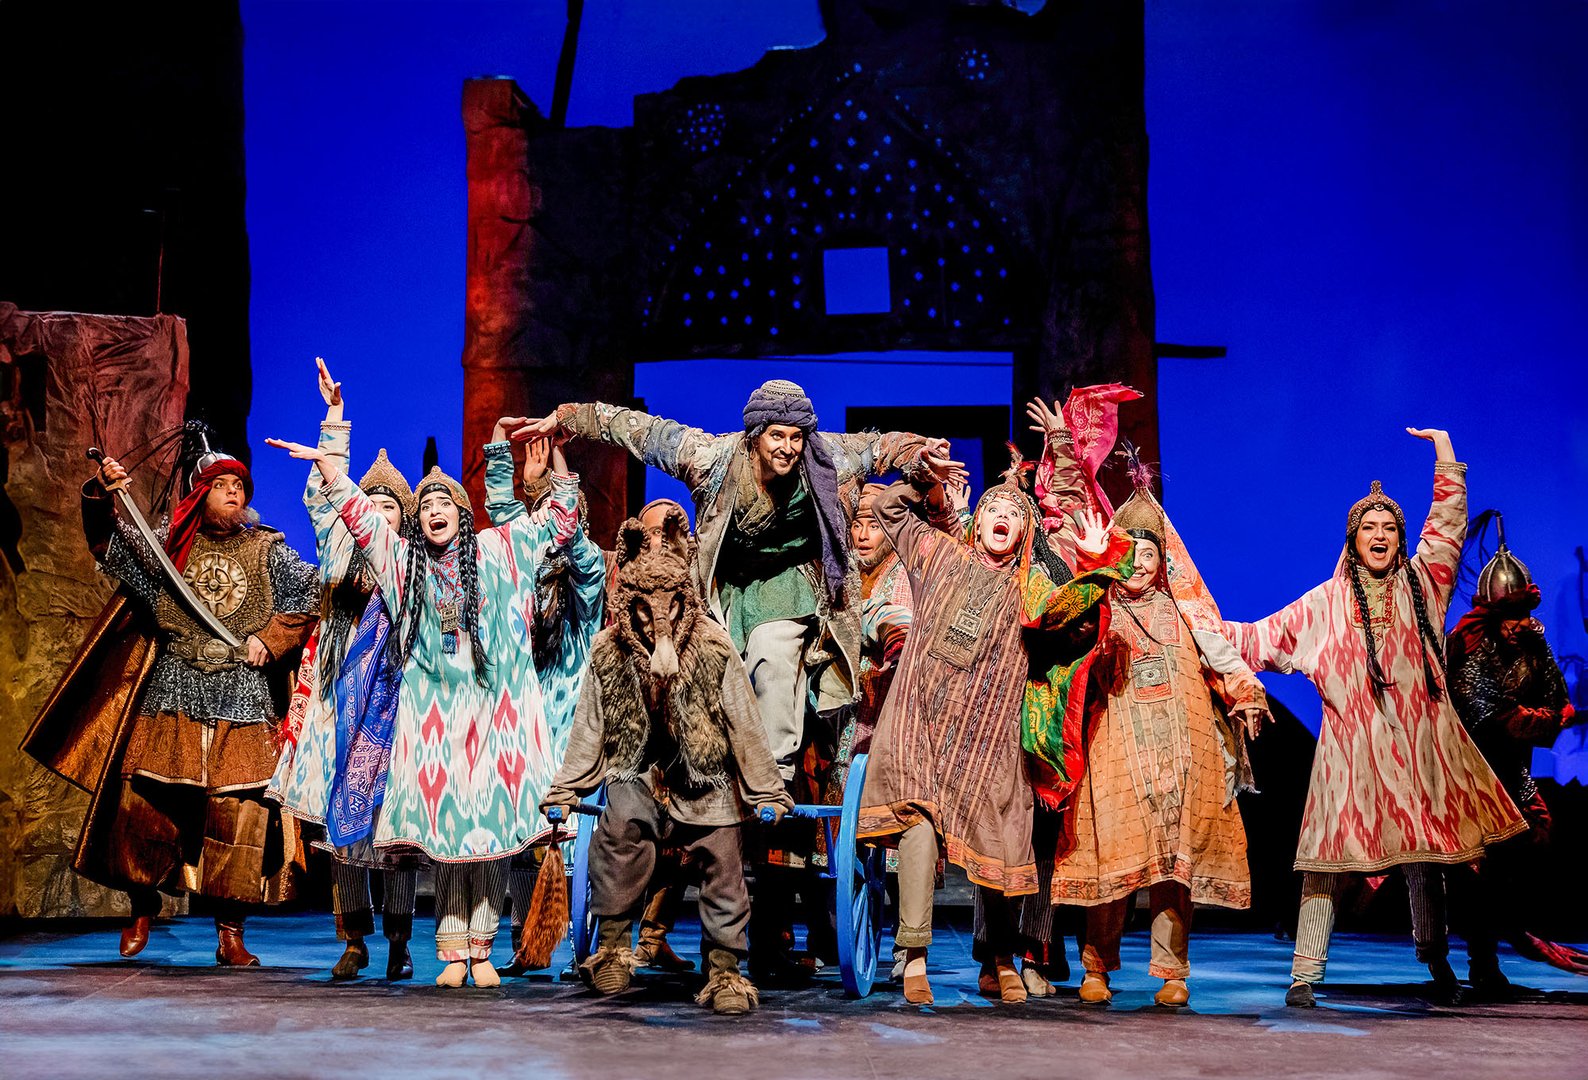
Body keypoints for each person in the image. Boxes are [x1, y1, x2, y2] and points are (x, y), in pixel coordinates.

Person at [512, 381, 948, 978]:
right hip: (721, 594)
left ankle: (769, 777)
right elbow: (639, 431)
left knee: (772, 652)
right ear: (754, 436)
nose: (789, 448)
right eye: (778, 436)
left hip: (792, 590)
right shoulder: (711, 458)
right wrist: (568, 416)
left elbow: (882, 447)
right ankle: (691, 764)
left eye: (796, 437)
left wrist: (920, 454)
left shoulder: (824, 458)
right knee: (698, 667)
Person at [266, 425, 582, 988]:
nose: (436, 510)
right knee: (448, 837)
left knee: (490, 840)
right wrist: (330, 460)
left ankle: (482, 950)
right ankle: (452, 950)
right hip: (435, 724)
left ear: (462, 512)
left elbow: (556, 523)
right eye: (428, 504)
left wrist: (557, 465)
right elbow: (361, 520)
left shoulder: (497, 551)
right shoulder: (403, 565)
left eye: (445, 503)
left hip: (493, 719)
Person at [1222, 428, 1527, 1007]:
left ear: (1401, 538)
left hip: (1417, 749)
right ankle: (1305, 975)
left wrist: (1444, 453)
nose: (1380, 535)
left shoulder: (1424, 586)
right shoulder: (1324, 605)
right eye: (1369, 527)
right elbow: (1255, 639)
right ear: (1353, 539)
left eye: (1389, 527)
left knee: (1426, 857)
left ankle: (1435, 959)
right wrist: (1193, 621)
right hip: (1349, 756)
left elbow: (1447, 527)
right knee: (1325, 863)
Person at [856, 451, 1134, 1005]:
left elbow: (1073, 620)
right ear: (976, 521)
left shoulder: (1031, 588)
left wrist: (1095, 565)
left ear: (1025, 530)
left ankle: (1001, 958)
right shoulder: (938, 554)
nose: (1003, 516)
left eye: (1014, 512)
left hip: (988, 735)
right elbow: (888, 508)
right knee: (917, 826)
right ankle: (915, 955)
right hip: (921, 723)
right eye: (993, 509)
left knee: (998, 840)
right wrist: (925, 479)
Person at [28, 438, 318, 965]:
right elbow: (109, 545)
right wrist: (101, 495)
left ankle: (230, 933)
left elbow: (308, 596)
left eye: (239, 487)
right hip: (174, 685)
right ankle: (142, 905)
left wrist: (271, 638)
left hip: (242, 691)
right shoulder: (167, 548)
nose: (233, 494)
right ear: (199, 494)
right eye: (221, 485)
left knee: (240, 816)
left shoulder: (268, 550)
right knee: (145, 804)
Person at [1034, 396, 1269, 1009]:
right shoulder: (1100, 606)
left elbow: (1222, 653)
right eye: (1130, 554)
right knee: (1110, 856)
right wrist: (1063, 449)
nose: (1140, 565)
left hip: (1181, 753)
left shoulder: (1184, 610)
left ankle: (1172, 971)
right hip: (1115, 748)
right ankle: (1097, 967)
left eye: (1150, 556)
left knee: (1175, 863)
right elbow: (1074, 514)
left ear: (1164, 563)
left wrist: (1246, 692)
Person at [541, 504, 792, 1015]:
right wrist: (566, 789)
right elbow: (591, 725)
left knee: (723, 855)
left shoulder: (713, 645)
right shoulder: (609, 650)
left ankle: (725, 970)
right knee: (618, 830)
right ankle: (613, 949)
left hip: (704, 776)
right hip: (641, 770)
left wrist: (766, 790)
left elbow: (743, 722)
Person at [268, 359, 419, 980]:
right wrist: (334, 419)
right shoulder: (337, 543)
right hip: (338, 697)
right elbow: (322, 493)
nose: (377, 511)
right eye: (370, 501)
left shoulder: (409, 563)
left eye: (389, 506)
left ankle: (401, 941)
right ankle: (353, 939)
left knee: (393, 829)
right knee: (343, 827)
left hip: (394, 701)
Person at [480, 424, 607, 976]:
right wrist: (504, 460)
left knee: (572, 840)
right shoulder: (523, 579)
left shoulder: (587, 576)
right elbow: (508, 530)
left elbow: (571, 545)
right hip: (520, 714)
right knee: (518, 832)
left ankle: (581, 945)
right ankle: (524, 942)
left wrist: (559, 477)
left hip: (566, 719)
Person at [1446, 521, 1585, 995]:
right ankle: (1479, 963)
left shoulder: (1533, 641)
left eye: (1526, 613)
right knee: (1476, 867)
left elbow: (1559, 700)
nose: (1521, 623)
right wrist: (1547, 718)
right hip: (1472, 775)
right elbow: (1489, 717)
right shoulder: (1469, 646)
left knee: (1536, 838)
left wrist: (1547, 716)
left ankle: (1506, 936)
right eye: (1512, 615)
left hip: (1513, 771)